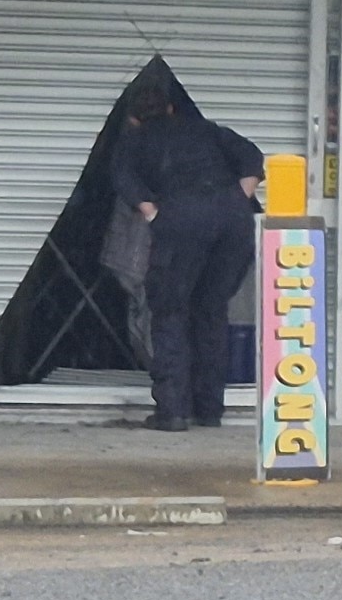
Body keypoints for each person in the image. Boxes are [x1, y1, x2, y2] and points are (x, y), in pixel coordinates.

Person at [110, 84, 265, 431]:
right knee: (211, 310)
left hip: (181, 221)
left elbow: (124, 179)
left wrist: (153, 214)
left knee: (170, 312)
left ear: (133, 118)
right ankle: (209, 410)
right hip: (233, 223)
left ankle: (174, 411)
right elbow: (253, 157)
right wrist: (235, 201)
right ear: (170, 110)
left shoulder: (133, 141)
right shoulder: (204, 129)